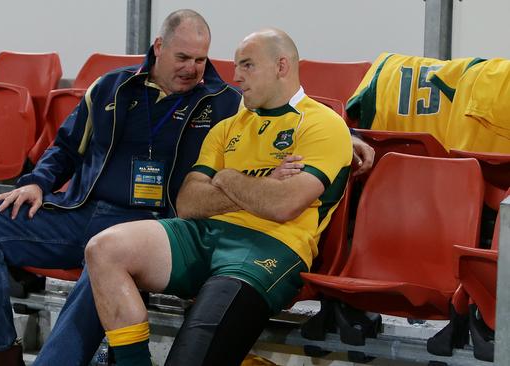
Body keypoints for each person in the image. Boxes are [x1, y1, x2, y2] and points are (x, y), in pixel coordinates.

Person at [0, 9, 243, 366]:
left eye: (200, 59)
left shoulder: (225, 103)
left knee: (107, 257)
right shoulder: (111, 87)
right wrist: (37, 184)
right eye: (182, 57)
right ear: (159, 47)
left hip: (150, 230)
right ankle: (3, 355)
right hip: (83, 212)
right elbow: (66, 148)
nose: (192, 68)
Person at [85, 28, 354, 366]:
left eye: (247, 65)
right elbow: (188, 203)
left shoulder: (322, 124)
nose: (236, 76)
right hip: (205, 234)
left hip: (269, 247)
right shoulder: (227, 127)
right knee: (104, 249)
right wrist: (258, 185)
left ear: (281, 66)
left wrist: (225, 178)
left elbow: (283, 205)